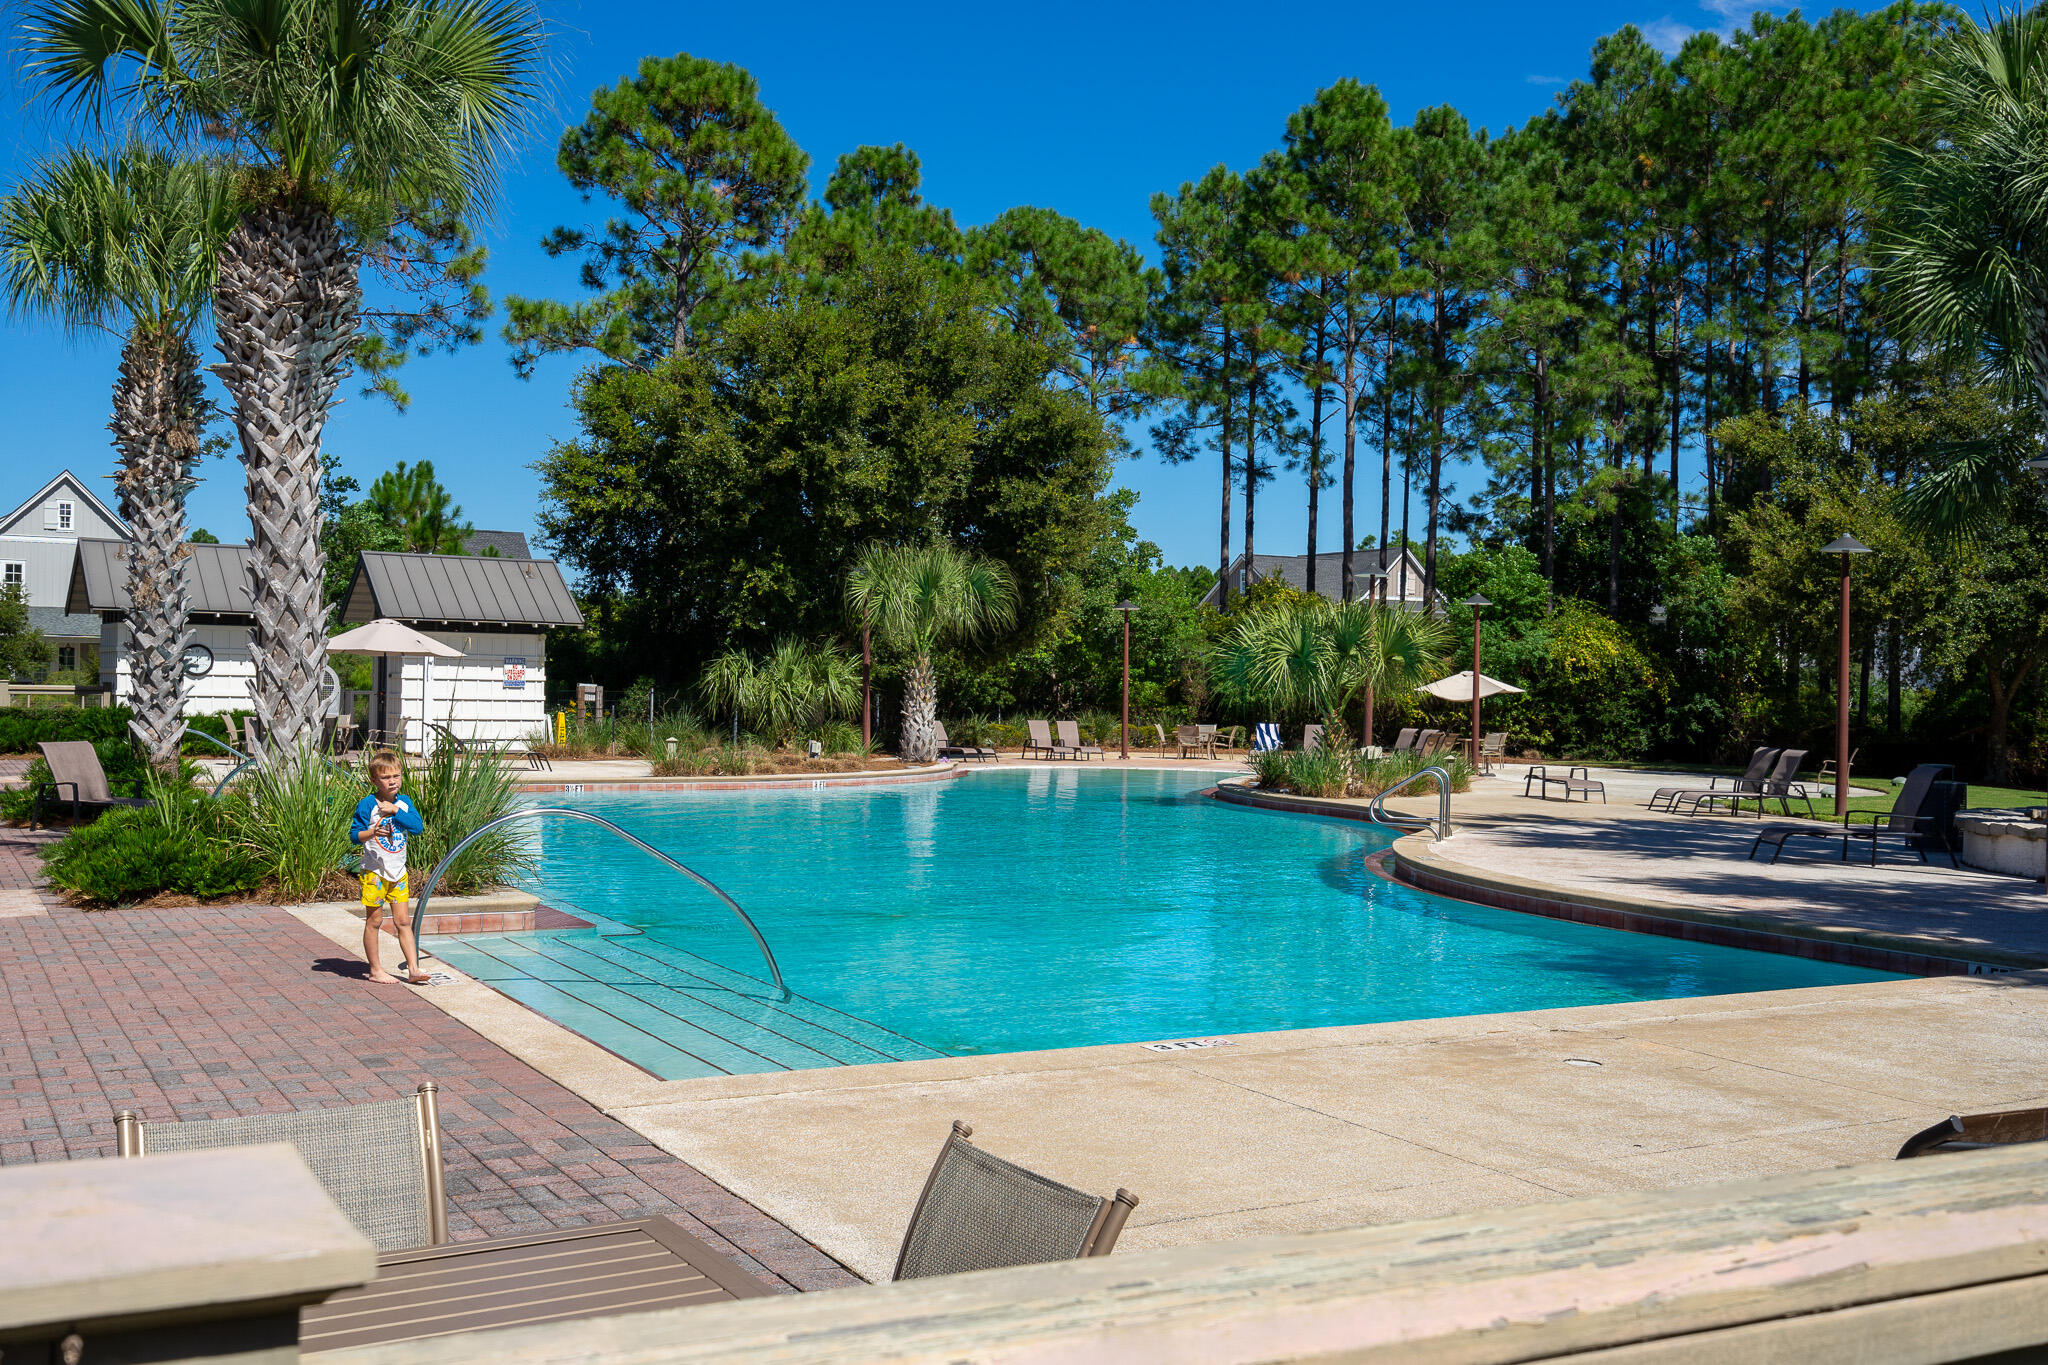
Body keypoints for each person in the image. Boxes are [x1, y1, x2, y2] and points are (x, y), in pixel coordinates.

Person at [352, 750, 430, 985]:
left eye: (396, 775)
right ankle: (375, 970)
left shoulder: (404, 803)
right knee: (374, 921)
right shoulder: (367, 805)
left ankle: (413, 969)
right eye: (386, 777)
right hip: (374, 872)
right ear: (374, 780)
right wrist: (372, 832)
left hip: (398, 872)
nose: (392, 781)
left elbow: (417, 827)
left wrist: (396, 811)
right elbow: (355, 836)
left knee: (403, 921)